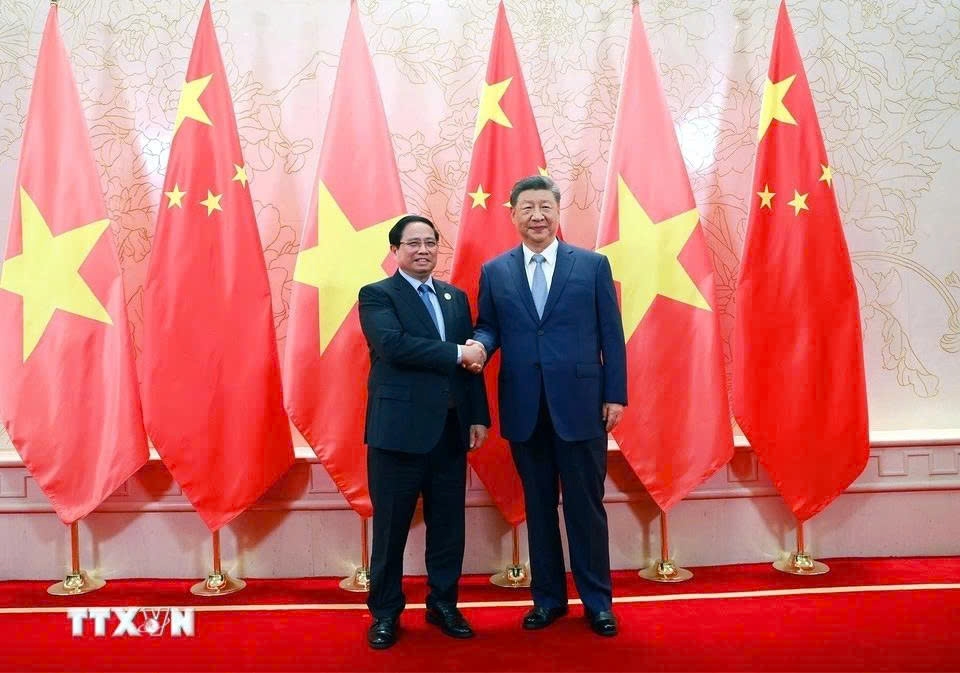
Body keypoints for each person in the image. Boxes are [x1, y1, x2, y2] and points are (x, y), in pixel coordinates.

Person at [472, 175, 627, 637]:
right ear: (513, 215)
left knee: (586, 507)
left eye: (545, 207)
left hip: (582, 406)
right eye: (527, 208)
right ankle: (548, 600)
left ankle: (597, 603)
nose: (537, 216)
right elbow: (489, 327)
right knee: (538, 509)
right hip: (525, 407)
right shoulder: (495, 271)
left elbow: (611, 334)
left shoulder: (592, 265)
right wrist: (478, 347)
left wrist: (615, 394)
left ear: (558, 212)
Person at [358, 214, 490, 650]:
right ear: (394, 250)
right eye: (413, 243)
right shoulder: (377, 294)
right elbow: (392, 346)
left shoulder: (455, 297)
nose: (423, 250)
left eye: (430, 242)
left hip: (450, 432)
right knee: (391, 529)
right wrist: (457, 352)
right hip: (397, 434)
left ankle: (443, 604)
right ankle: (385, 613)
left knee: (449, 526)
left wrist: (477, 416)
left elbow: (471, 366)